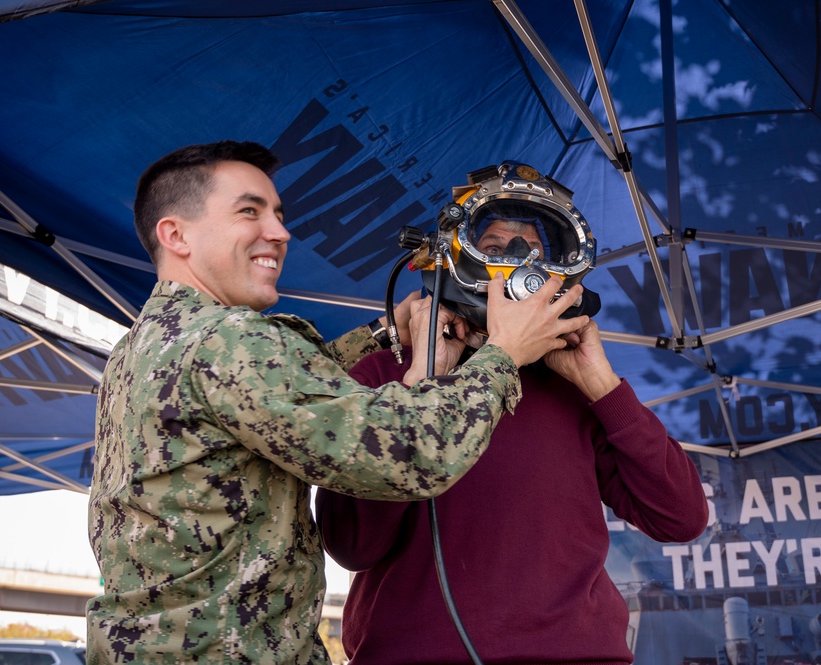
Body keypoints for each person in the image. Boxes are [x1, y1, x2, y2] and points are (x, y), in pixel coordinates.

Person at [85, 142, 590, 664]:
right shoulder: (229, 342)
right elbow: (412, 453)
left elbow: (277, 395)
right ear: (176, 234)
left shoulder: (148, 343)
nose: (280, 233)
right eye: (249, 211)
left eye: (278, 215)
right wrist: (506, 352)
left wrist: (382, 332)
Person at [315, 162, 710, 664]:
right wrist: (421, 387)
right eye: (496, 247)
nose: (518, 263)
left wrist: (603, 386)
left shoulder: (573, 388)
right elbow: (352, 545)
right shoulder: (382, 376)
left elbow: (681, 517)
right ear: (450, 258)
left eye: (536, 252)